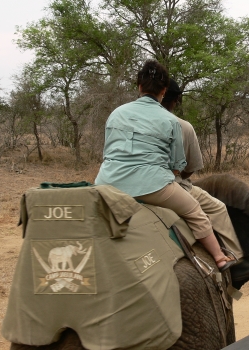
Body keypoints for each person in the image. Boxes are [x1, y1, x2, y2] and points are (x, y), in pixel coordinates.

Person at [95, 60, 235, 271]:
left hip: (107, 183)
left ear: (139, 87)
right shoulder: (170, 120)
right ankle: (220, 258)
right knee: (195, 211)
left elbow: (108, 153)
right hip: (153, 186)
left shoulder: (116, 113)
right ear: (163, 91)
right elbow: (177, 166)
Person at [161, 79, 249, 282]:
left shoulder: (128, 119)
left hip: (122, 184)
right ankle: (235, 262)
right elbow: (189, 169)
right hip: (167, 186)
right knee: (217, 208)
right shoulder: (182, 126)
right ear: (175, 101)